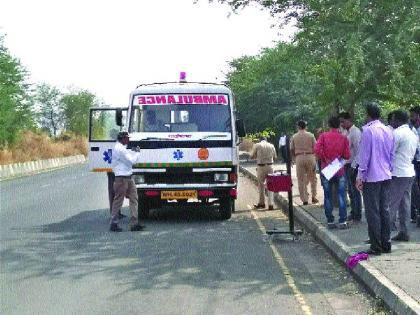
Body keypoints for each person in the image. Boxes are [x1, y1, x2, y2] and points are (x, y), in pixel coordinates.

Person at [356, 102, 394, 255]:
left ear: (368, 114)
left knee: (373, 212)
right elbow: (392, 155)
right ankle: (386, 243)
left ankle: (376, 246)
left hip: (372, 176)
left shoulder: (368, 131)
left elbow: (364, 157)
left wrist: (360, 176)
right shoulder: (388, 130)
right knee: (385, 210)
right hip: (386, 175)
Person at [315, 116, 350, 229]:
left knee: (328, 195)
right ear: (339, 125)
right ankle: (343, 220)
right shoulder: (343, 138)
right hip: (339, 168)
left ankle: (330, 220)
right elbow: (347, 155)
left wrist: (324, 158)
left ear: (329, 125)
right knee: (341, 195)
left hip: (326, 168)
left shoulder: (323, 136)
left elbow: (316, 150)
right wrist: (338, 158)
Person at [388, 110, 417, 241]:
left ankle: (383, 234)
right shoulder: (413, 133)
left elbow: (389, 153)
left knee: (390, 204)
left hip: (398, 173)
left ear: (398, 120)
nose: (391, 122)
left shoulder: (397, 133)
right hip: (409, 171)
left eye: (393, 119)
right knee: (405, 203)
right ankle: (404, 232)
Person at [110, 131, 145, 232]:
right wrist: (137, 153)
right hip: (122, 178)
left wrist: (133, 152)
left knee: (134, 198)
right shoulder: (120, 149)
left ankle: (134, 223)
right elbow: (131, 161)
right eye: (127, 138)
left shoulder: (120, 147)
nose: (129, 140)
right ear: (123, 139)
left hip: (128, 177)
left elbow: (127, 158)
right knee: (118, 201)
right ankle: (114, 223)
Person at [339, 112, 362, 222]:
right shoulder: (344, 132)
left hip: (353, 165)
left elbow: (359, 151)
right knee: (350, 191)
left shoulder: (356, 132)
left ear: (349, 120)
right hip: (346, 164)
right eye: (341, 122)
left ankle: (357, 214)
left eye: (343, 121)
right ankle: (353, 212)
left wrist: (354, 166)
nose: (342, 124)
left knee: (355, 191)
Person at [290, 120, 318, 205]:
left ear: (298, 127)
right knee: (313, 178)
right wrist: (315, 158)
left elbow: (291, 149)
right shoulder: (311, 135)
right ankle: (314, 196)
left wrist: (293, 158)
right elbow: (316, 147)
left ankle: (304, 199)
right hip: (310, 156)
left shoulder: (294, 136)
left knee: (301, 179)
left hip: (299, 157)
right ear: (306, 126)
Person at [250, 136, 277, 210]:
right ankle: (271, 204)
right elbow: (275, 156)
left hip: (261, 167)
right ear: (266, 140)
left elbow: (251, 156)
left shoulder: (257, 145)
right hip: (270, 166)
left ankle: (262, 203)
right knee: (271, 185)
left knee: (261, 185)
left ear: (260, 140)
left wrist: (257, 156)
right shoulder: (271, 145)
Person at [409, 106, 420, 226]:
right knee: (415, 189)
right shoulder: (413, 129)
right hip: (415, 162)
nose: (411, 118)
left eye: (413, 116)